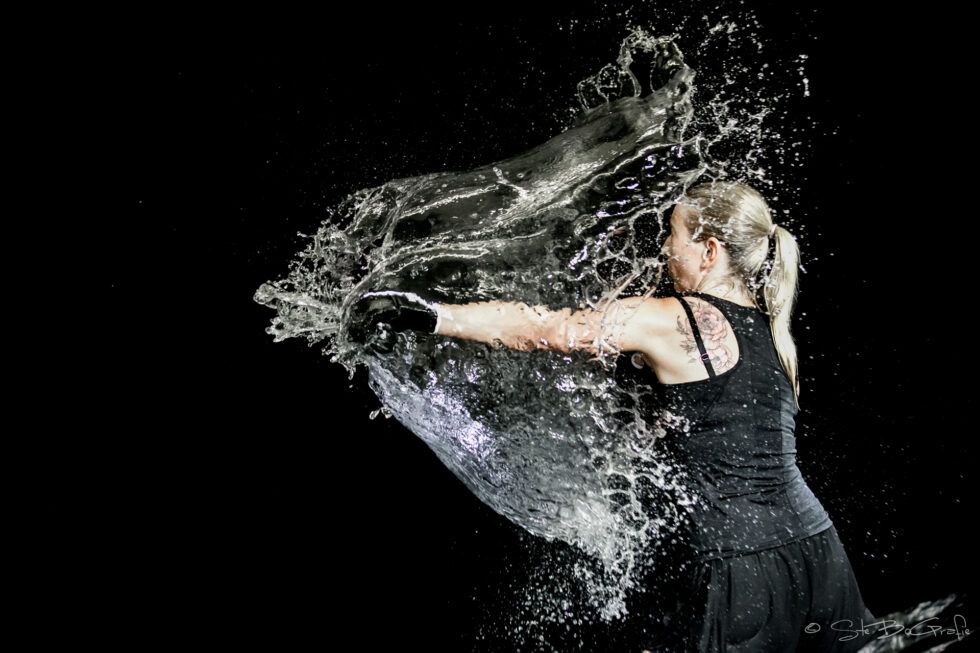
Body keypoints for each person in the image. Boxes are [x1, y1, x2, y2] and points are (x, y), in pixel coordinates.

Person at [348, 181, 880, 652]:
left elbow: (546, 330)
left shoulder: (674, 319)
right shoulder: (775, 336)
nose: (664, 248)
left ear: (710, 251)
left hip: (736, 568)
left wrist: (425, 313)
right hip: (820, 553)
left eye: (673, 234)